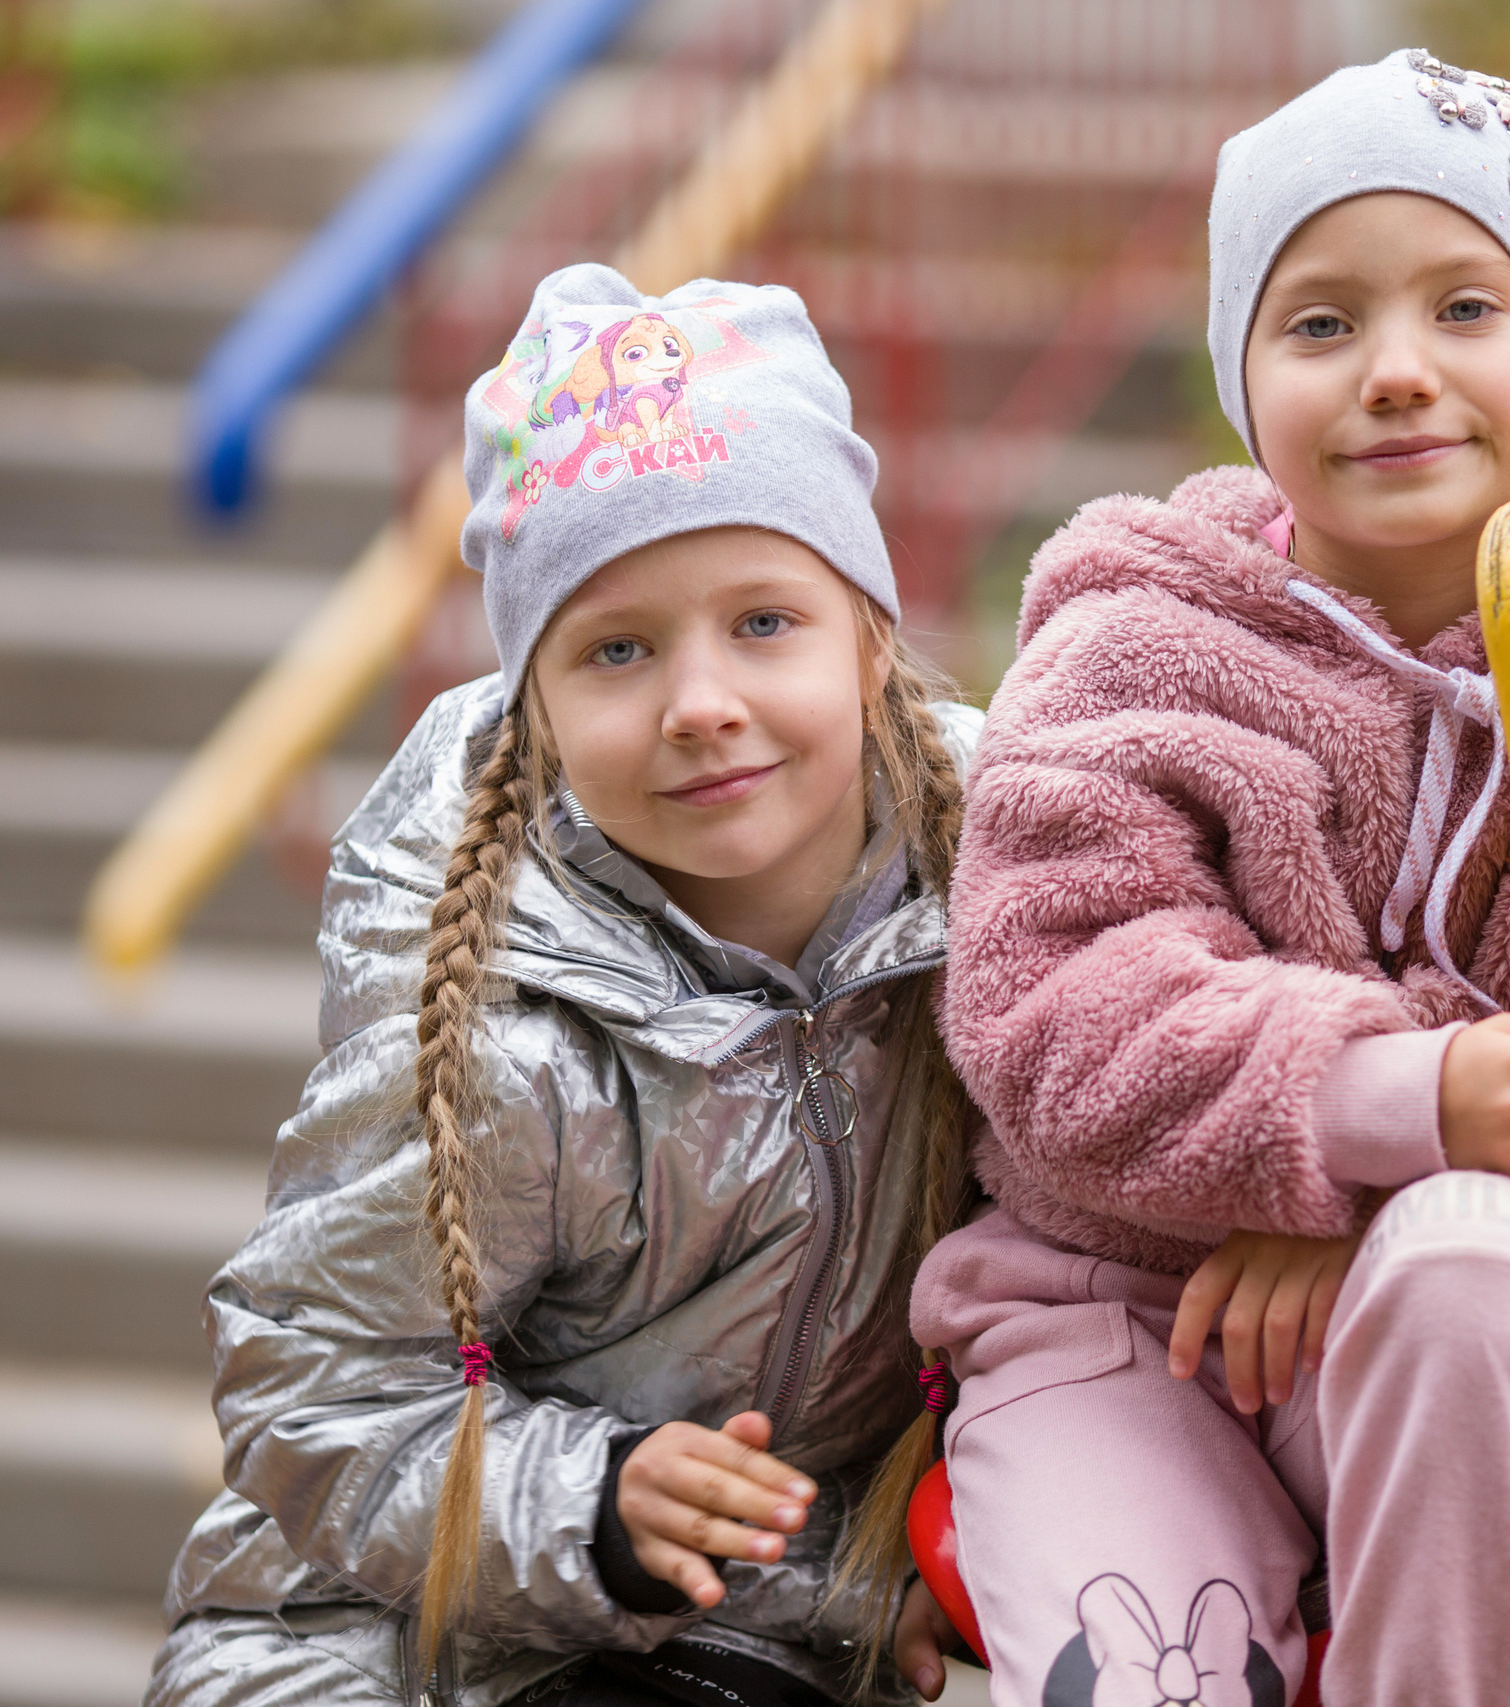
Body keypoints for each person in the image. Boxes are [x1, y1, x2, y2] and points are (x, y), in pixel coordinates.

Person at [917, 53, 1510, 1707]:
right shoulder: (1133, 654)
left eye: (1467, 307)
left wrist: (1407, 1185)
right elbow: (1053, 1008)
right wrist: (1387, 1105)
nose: (1397, 373)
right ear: (1244, 382)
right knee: (1155, 1675)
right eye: (1321, 325)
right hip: (1118, 1323)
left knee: (1479, 1263)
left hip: (1433, 1328)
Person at [148, 268, 976, 1707]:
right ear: (535, 699)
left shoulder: (1011, 888)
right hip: (376, 1646)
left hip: (743, 1641)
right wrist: (593, 1505)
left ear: (871, 634)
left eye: (765, 622)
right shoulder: (503, 1026)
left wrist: (875, 1564)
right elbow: (314, 1397)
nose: (701, 700)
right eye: (618, 649)